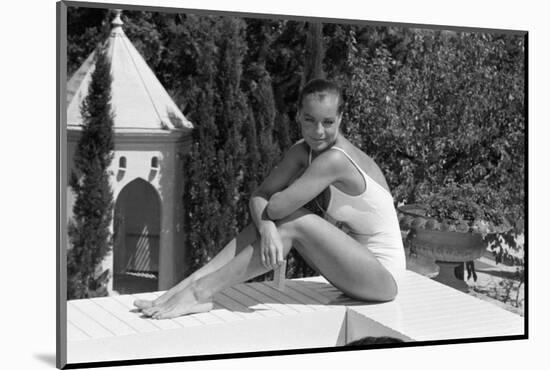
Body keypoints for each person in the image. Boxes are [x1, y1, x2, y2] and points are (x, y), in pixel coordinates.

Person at [134, 78, 406, 319]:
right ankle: (182, 290)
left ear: (341, 119)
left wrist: (269, 222)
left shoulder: (335, 159)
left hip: (382, 278)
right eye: (309, 120)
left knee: (293, 221)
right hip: (351, 269)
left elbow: (275, 207)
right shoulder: (304, 151)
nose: (318, 131)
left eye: (328, 122)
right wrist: (265, 229)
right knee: (267, 224)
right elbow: (259, 196)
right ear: (298, 115)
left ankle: (200, 292)